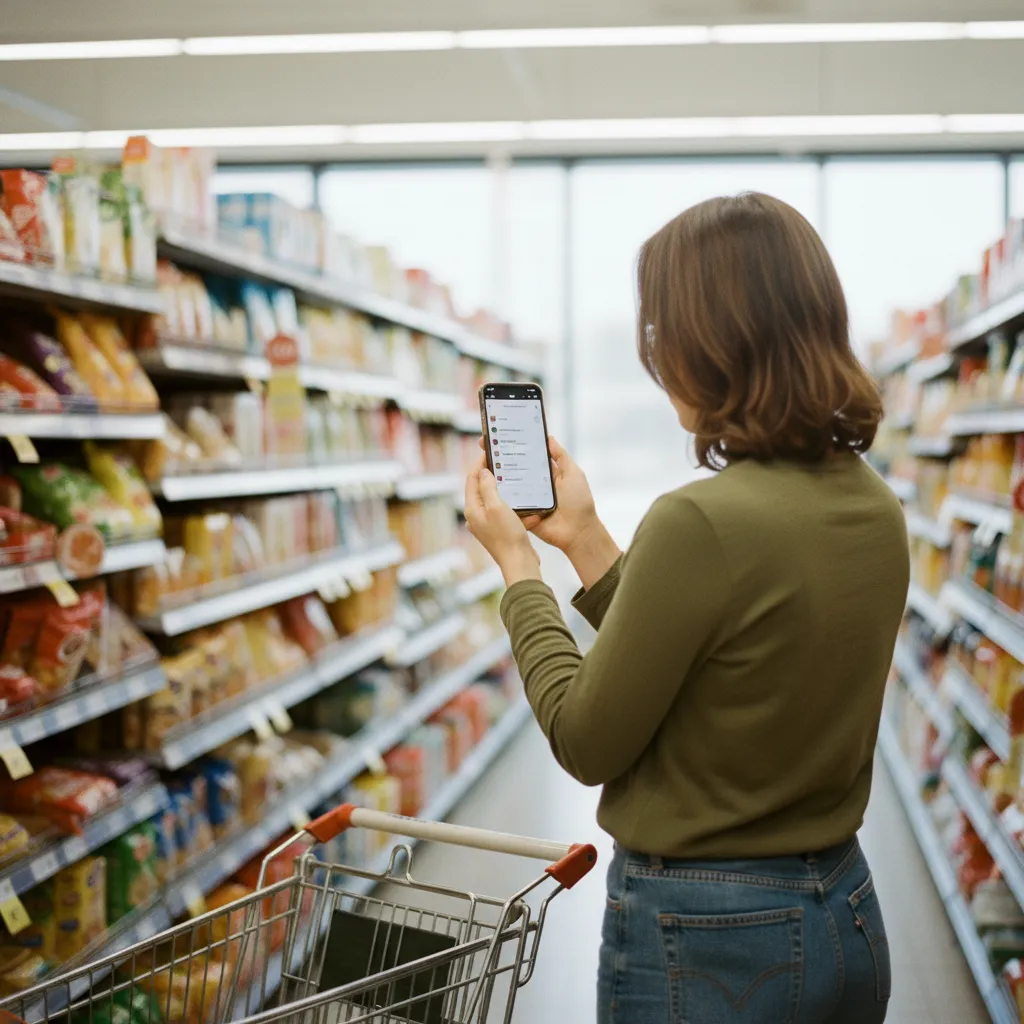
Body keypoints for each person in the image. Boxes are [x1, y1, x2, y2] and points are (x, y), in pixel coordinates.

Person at [463, 192, 909, 1024]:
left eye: (663, 332)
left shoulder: (698, 519)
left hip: (710, 941)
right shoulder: (873, 505)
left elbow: (586, 737)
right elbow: (721, 652)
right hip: (844, 910)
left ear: (712, 344)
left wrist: (520, 569)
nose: (657, 358)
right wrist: (586, 536)